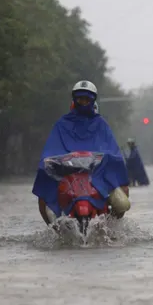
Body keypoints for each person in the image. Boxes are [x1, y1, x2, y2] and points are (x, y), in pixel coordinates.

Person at [32, 80, 131, 227]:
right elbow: (52, 149)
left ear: (93, 100)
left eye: (87, 99)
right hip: (67, 172)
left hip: (97, 173)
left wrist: (111, 160)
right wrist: (47, 163)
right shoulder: (62, 124)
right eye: (80, 98)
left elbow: (111, 149)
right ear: (74, 99)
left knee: (122, 199)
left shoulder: (101, 124)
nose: (83, 102)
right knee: (42, 196)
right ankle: (55, 230)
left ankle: (111, 227)